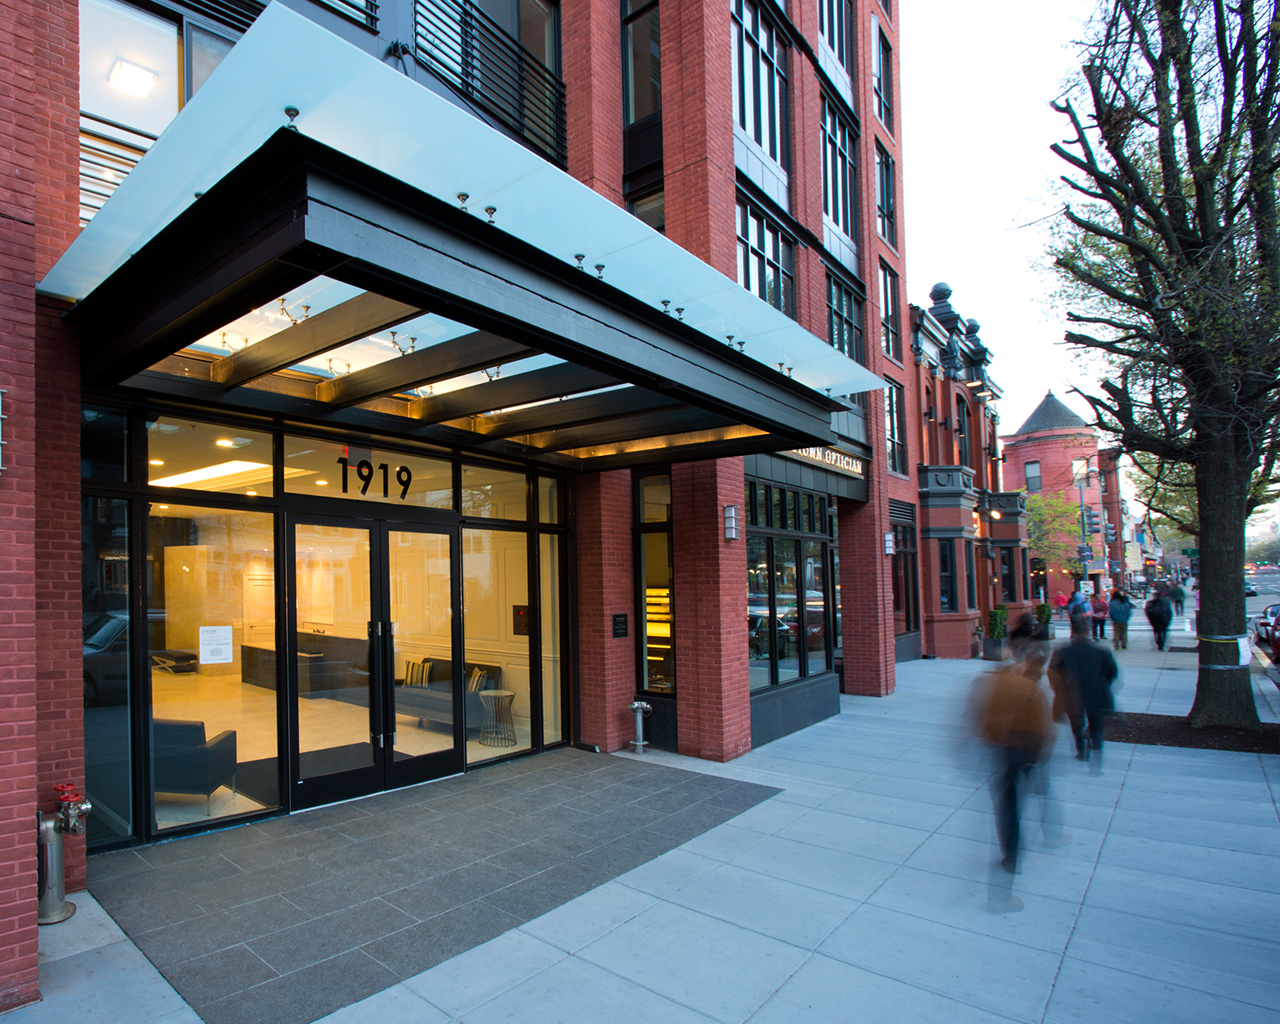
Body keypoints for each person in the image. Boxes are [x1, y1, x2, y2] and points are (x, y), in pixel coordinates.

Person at [975, 639, 1054, 909]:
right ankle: (1006, 878)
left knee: (1007, 807)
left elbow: (984, 720)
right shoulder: (1030, 690)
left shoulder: (997, 682)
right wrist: (1039, 757)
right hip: (1023, 754)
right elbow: (1043, 730)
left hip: (1002, 752)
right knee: (1016, 808)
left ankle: (1010, 855)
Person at [1048, 613, 1119, 770]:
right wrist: (1104, 684)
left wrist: (1059, 688)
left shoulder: (1063, 652)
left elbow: (1052, 672)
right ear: (1088, 632)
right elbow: (1113, 672)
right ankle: (1096, 743)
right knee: (1096, 721)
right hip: (1097, 691)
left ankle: (1082, 750)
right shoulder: (1102, 652)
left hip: (1073, 694)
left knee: (1077, 722)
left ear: (1073, 633)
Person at [1145, 587, 1173, 651]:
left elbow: (1148, 612)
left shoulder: (1150, 603)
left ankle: (1160, 643)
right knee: (1163, 632)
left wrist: (1150, 619)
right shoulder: (1165, 603)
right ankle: (1162, 643)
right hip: (1163, 619)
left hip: (1155, 619)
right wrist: (1169, 619)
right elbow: (1169, 612)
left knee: (1157, 632)